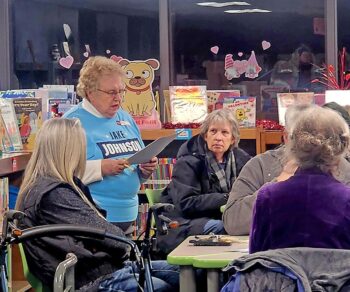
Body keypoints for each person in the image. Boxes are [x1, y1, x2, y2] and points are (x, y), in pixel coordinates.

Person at [16, 118, 179, 291]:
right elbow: (112, 238)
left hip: (98, 270)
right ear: (69, 150)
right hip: (90, 278)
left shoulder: (49, 187)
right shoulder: (54, 194)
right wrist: (121, 244)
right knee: (163, 286)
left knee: (182, 272)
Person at [223, 104, 350, 235]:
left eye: (316, 137)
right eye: (302, 137)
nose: (310, 144)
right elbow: (233, 223)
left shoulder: (342, 168)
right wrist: (277, 184)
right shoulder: (261, 165)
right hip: (273, 253)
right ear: (286, 137)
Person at [64, 56, 157, 234]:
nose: (119, 98)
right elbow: (59, 173)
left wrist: (144, 171)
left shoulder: (125, 118)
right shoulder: (71, 122)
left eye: (122, 91)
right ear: (90, 91)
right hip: (92, 219)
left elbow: (133, 170)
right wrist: (100, 168)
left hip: (127, 216)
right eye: (111, 92)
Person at [158, 109, 251, 254]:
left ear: (233, 139)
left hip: (218, 217)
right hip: (182, 223)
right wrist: (227, 198)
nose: (218, 137)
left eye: (224, 132)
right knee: (226, 227)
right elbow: (185, 203)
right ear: (205, 136)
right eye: (213, 131)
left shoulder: (243, 160)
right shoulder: (188, 161)